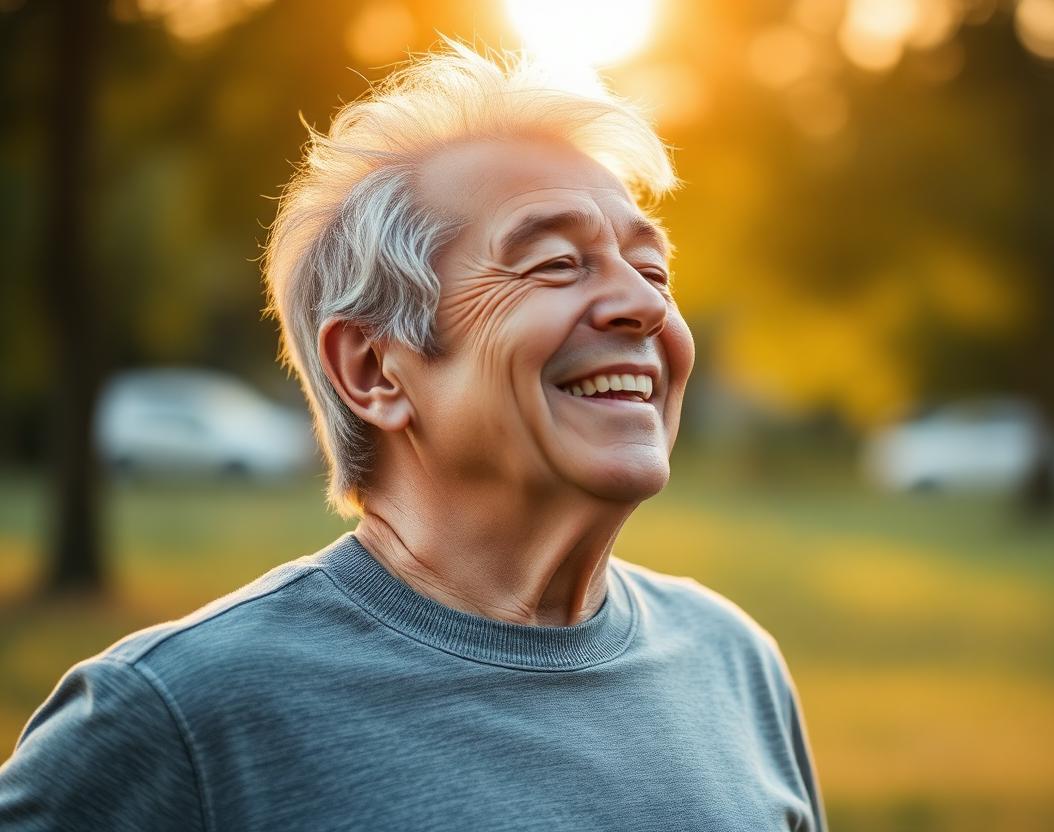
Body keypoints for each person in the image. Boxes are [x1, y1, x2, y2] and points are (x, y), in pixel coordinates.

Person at [0, 43, 826, 831]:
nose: (645, 307)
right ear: (373, 368)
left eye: (652, 271)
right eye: (556, 264)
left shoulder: (732, 662)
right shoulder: (177, 718)